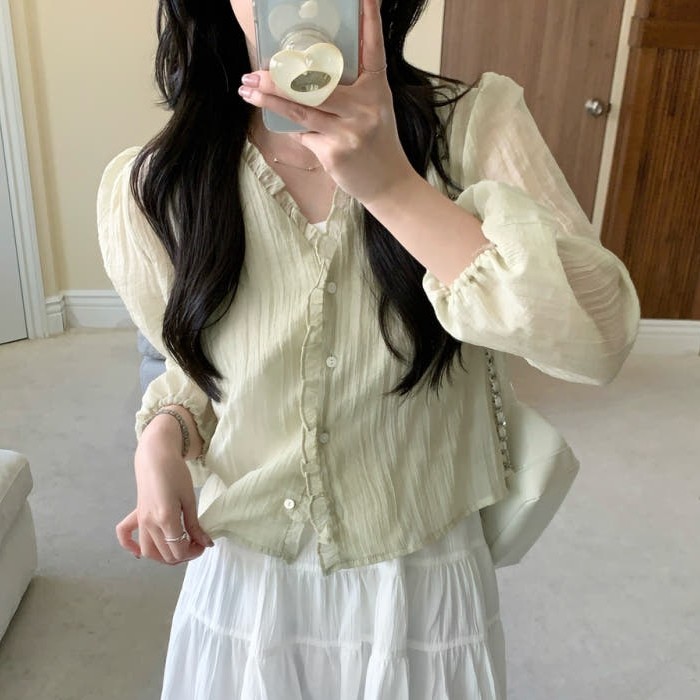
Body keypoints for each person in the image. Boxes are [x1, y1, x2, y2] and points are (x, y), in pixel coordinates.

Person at [97, 0, 640, 697]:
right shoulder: (158, 182)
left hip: (418, 584)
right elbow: (200, 370)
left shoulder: (475, 126)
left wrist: (393, 187)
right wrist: (161, 438)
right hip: (246, 585)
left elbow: (597, 341)